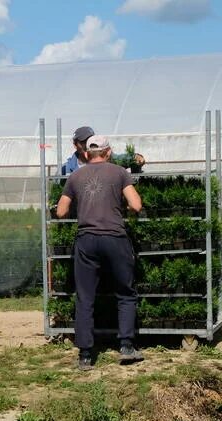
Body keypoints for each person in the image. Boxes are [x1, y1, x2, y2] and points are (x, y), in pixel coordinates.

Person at [56, 135, 144, 370]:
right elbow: (136, 205)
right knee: (125, 293)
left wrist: (81, 203)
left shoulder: (75, 176)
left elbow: (61, 211)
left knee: (85, 297)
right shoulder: (119, 173)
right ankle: (126, 345)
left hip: (86, 240)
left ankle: (85, 354)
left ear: (86, 154)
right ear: (108, 152)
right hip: (115, 238)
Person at [62, 125, 146, 175]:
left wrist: (136, 157)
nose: (88, 143)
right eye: (83, 141)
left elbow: (125, 159)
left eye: (90, 139)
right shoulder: (67, 169)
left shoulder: (108, 158)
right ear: (75, 145)